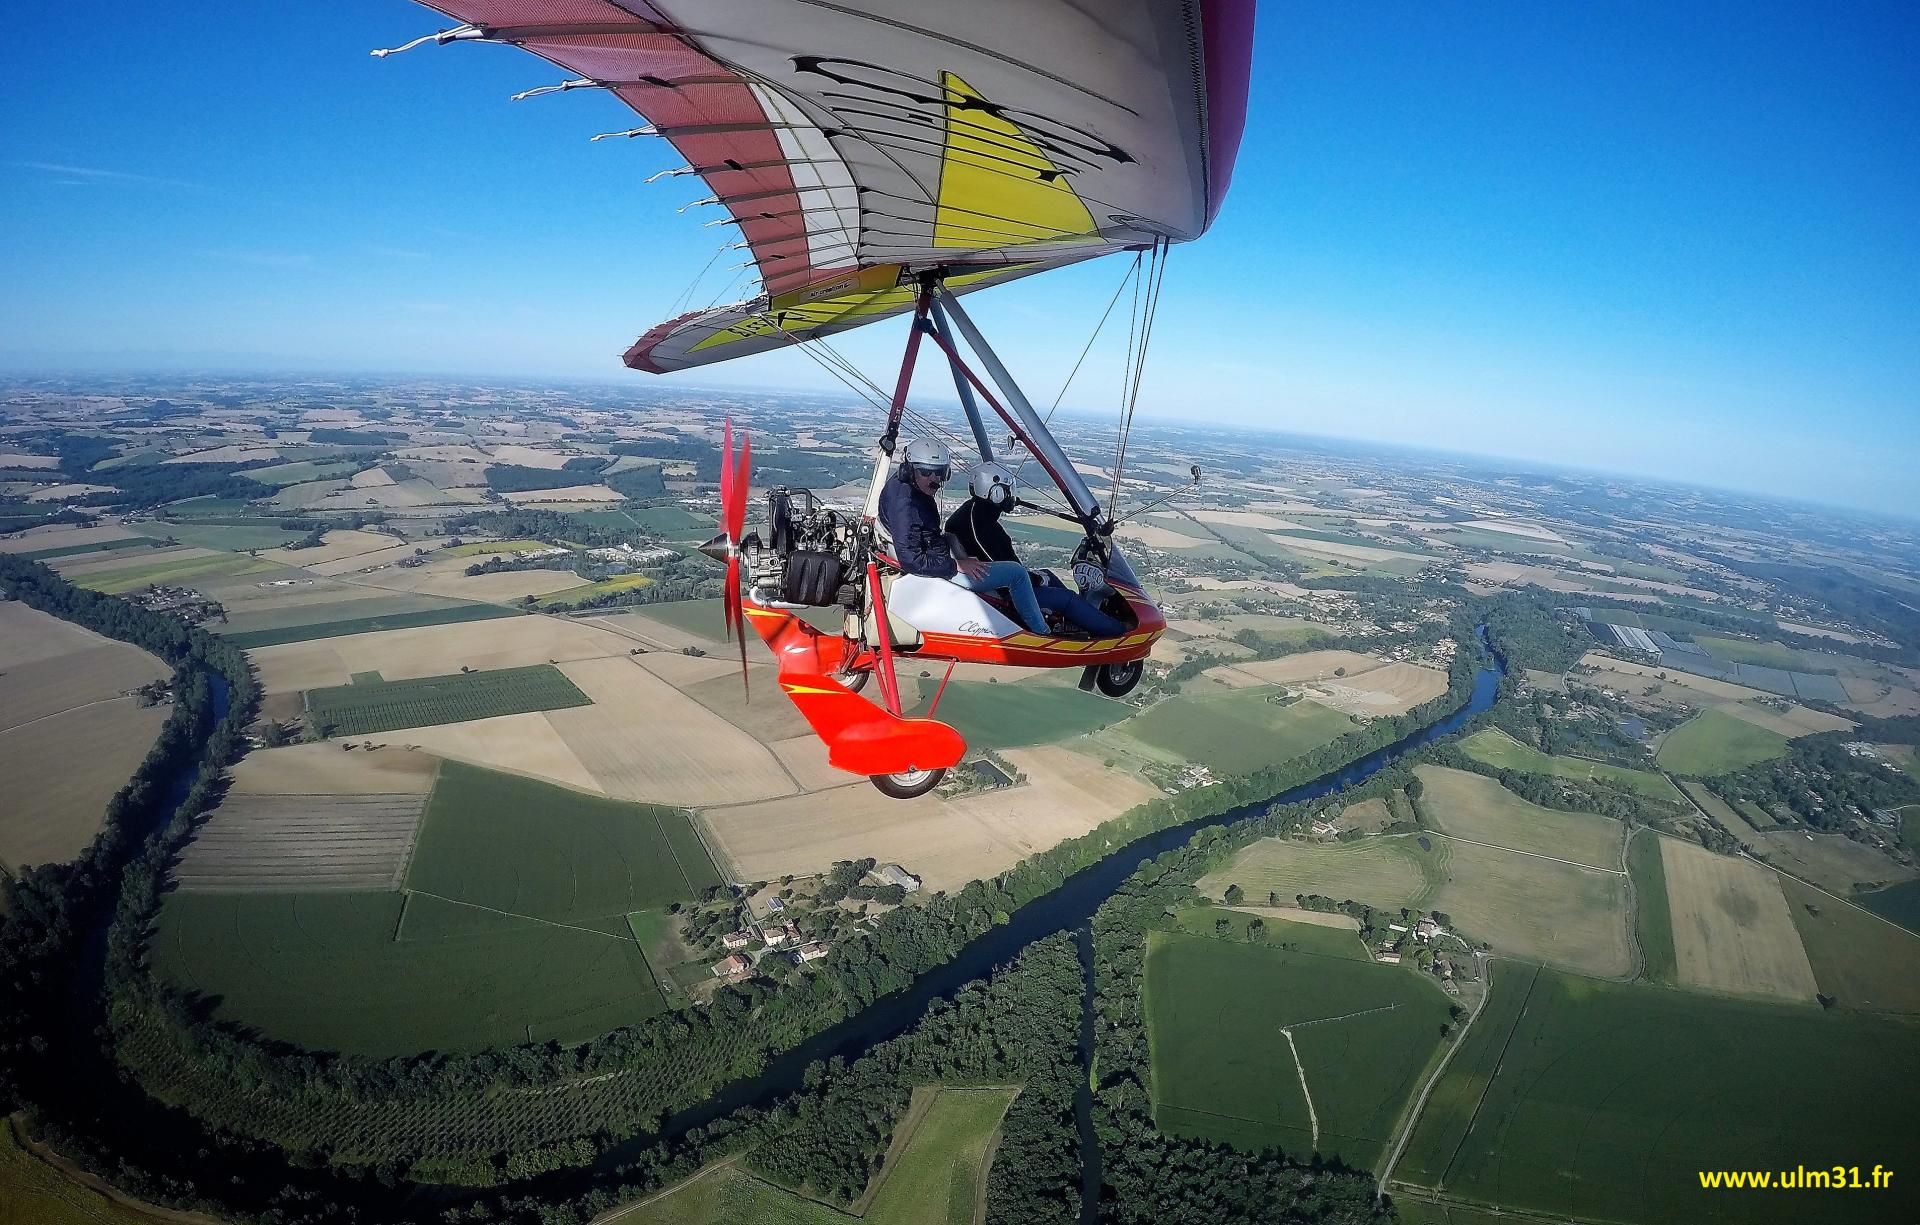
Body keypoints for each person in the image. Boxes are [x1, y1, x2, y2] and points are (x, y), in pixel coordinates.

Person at [877, 440, 1049, 634]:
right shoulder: (906, 506)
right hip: (934, 568)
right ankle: (1041, 632)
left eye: (939, 472)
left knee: (953, 539)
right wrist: (955, 565)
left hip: (934, 552)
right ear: (910, 470)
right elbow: (911, 560)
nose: (933, 479)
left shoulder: (905, 485)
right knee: (1016, 573)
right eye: (925, 472)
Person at [946, 462, 1128, 639]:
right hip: (1005, 589)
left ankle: (1075, 621)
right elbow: (999, 564)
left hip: (998, 578)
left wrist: (1037, 577)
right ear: (996, 493)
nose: (1010, 495)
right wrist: (1034, 579)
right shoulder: (979, 523)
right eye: (1007, 490)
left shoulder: (976, 512)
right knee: (1067, 598)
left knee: (1049, 575)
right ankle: (1119, 631)